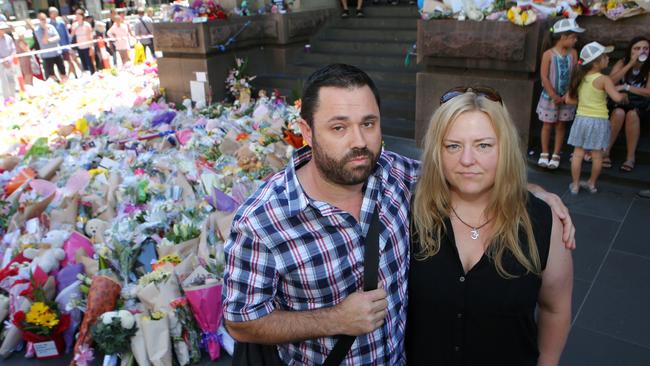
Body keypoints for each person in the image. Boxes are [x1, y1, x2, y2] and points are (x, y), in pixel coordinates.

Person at [223, 64, 576, 365]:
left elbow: (463, 170)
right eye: (338, 127)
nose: (358, 141)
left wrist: (536, 194)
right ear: (306, 132)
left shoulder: (392, 175)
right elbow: (240, 321)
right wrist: (335, 319)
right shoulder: (262, 221)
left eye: (369, 123)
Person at [406, 86, 573, 366]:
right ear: (438, 151)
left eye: (483, 145)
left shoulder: (542, 221)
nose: (467, 160)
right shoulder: (410, 210)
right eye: (453, 146)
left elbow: (554, 308)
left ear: (504, 148)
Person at [566, 42, 628, 194]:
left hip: (581, 119)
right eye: (605, 56)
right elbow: (616, 98)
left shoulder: (579, 77)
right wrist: (623, 93)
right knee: (597, 156)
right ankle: (592, 184)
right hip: (598, 121)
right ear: (596, 62)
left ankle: (575, 185)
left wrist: (586, 101)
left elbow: (568, 100)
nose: (608, 59)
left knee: (578, 153)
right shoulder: (604, 79)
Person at [536, 18, 582, 170]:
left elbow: (575, 75)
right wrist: (553, 95)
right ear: (563, 37)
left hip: (566, 97)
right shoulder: (548, 54)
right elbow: (544, 76)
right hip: (550, 97)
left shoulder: (573, 53)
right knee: (547, 125)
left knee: (561, 125)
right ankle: (544, 152)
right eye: (573, 37)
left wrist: (569, 93)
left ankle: (556, 153)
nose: (576, 40)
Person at [603, 36, 650, 172]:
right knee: (618, 113)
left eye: (645, 49)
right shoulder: (623, 62)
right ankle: (606, 151)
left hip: (641, 106)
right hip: (619, 103)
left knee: (632, 115)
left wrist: (626, 87)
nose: (642, 52)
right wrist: (630, 64)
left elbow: (648, 92)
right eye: (637, 48)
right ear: (630, 51)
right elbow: (609, 82)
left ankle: (630, 157)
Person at [34, 12, 67, 82]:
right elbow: (44, 41)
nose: (44, 21)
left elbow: (58, 37)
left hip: (57, 53)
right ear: (39, 20)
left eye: (44, 19)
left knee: (63, 71)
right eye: (42, 19)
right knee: (51, 75)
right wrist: (46, 30)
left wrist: (49, 40)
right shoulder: (37, 30)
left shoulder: (51, 27)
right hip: (47, 55)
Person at [49, 7, 79, 78]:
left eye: (56, 13)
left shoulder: (61, 23)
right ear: (50, 14)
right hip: (55, 47)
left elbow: (66, 34)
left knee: (70, 61)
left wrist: (69, 45)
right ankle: (63, 77)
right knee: (59, 64)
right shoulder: (49, 25)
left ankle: (75, 75)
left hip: (64, 46)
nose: (55, 15)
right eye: (53, 13)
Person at [72, 9, 95, 74]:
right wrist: (74, 27)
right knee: (83, 63)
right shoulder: (74, 25)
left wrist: (91, 47)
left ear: (82, 16)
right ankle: (86, 76)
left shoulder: (87, 25)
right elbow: (72, 35)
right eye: (76, 15)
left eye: (79, 15)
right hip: (79, 47)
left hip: (87, 47)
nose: (77, 17)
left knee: (90, 63)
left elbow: (90, 36)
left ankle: (93, 75)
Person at [0, 22, 16, 99]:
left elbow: (13, 49)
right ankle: (7, 98)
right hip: (1, 63)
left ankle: (13, 97)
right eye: (1, 29)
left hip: (10, 62)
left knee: (12, 79)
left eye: (3, 29)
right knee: (4, 81)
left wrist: (9, 59)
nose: (2, 30)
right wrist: (3, 61)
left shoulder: (8, 38)